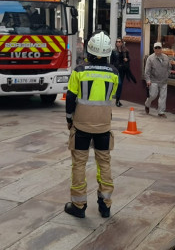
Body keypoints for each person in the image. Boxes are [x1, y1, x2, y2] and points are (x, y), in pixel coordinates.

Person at [64, 32, 118, 219]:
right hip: (103, 126)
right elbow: (112, 97)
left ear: (89, 50)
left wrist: (69, 119)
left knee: (79, 164)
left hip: (81, 127)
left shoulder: (79, 71)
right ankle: (105, 205)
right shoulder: (114, 73)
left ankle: (78, 205)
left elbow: (70, 97)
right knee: (104, 164)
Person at [144, 42, 171, 118]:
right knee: (153, 95)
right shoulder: (150, 58)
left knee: (163, 97)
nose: (158, 49)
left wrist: (167, 74)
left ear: (161, 49)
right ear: (154, 49)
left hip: (164, 80)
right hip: (154, 80)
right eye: (156, 48)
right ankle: (147, 104)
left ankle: (161, 112)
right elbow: (147, 71)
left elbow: (169, 67)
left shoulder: (166, 57)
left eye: (159, 48)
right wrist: (148, 80)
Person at [110, 38, 133, 107]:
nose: (118, 43)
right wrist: (112, 69)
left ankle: (117, 100)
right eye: (117, 42)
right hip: (116, 69)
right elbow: (111, 61)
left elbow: (129, 59)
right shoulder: (113, 51)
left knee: (120, 85)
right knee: (119, 83)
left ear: (122, 43)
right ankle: (115, 98)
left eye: (119, 42)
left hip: (123, 69)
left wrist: (127, 59)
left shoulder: (125, 51)